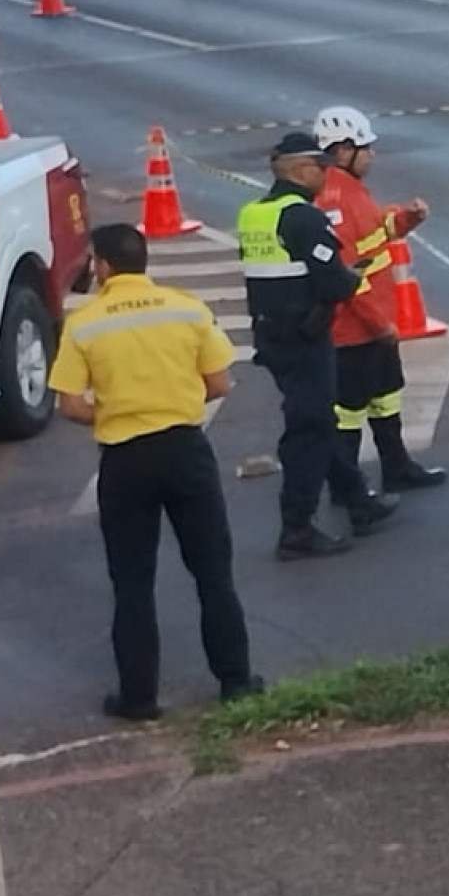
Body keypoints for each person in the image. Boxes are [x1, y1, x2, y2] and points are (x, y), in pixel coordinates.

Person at [49, 222, 263, 720]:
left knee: (132, 582)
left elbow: (69, 405)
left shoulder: (86, 322)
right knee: (213, 573)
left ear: (102, 266)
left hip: (125, 461)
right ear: (144, 260)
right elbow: (219, 384)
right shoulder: (186, 308)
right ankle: (235, 681)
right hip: (186, 451)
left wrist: (119, 412)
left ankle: (139, 697)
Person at [237, 131, 394, 558]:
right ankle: (297, 528)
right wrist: (355, 277)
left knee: (318, 420)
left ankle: (358, 501)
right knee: (309, 430)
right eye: (321, 168)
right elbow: (332, 280)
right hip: (306, 338)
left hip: (272, 337)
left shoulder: (253, 214)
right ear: (300, 170)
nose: (326, 176)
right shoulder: (304, 218)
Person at [312, 104, 449, 494]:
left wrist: (406, 219)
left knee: (386, 396)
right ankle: (347, 488)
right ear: (342, 151)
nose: (371, 154)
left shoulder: (350, 190)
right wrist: (379, 323)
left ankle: (396, 466)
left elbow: (373, 231)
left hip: (370, 327)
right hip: (354, 330)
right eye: (365, 147)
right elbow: (347, 272)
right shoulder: (334, 199)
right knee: (350, 411)